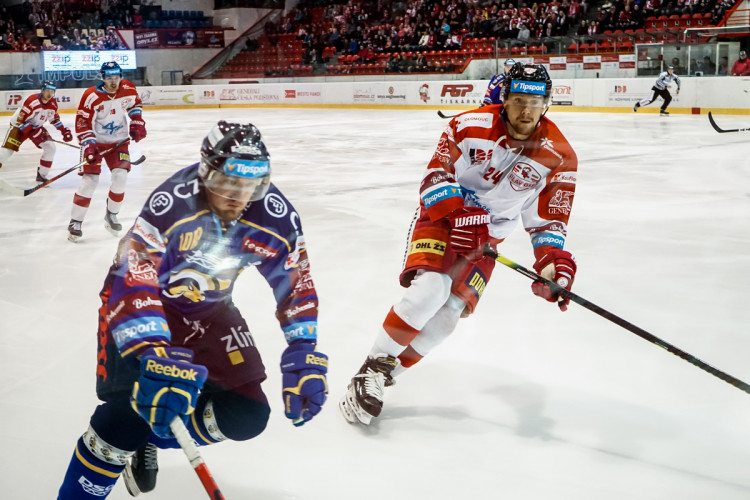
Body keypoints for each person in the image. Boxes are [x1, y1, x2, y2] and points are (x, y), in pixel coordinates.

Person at [56, 121, 328, 498]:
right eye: (229, 184)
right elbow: (133, 277)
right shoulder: (172, 203)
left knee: (247, 415)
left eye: (251, 186)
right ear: (206, 173)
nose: (239, 197)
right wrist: (151, 352)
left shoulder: (275, 216)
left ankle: (150, 434)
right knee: (125, 419)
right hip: (141, 304)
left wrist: (302, 347)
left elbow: (296, 280)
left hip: (210, 309)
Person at [339, 63, 579, 426]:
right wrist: (460, 212)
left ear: (547, 103)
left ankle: (384, 378)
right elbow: (434, 177)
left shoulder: (561, 157)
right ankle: (369, 370)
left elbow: (548, 223)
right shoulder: (467, 125)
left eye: (535, 101)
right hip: (442, 219)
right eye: (517, 99)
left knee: (450, 314)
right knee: (430, 290)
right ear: (504, 99)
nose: (526, 109)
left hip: (488, 240)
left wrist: (551, 264)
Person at [68, 61, 146, 242]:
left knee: (120, 177)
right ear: (102, 78)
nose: (113, 81)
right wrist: (88, 144)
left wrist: (137, 122)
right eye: (109, 77)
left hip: (119, 142)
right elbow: (82, 122)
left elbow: (135, 105)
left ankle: (111, 214)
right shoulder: (91, 96)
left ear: (121, 77)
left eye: (116, 77)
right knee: (90, 181)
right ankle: (75, 221)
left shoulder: (128, 88)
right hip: (94, 144)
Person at [0, 81, 73, 182]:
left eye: (52, 91)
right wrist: (31, 131)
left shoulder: (53, 103)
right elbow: (20, 120)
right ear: (42, 90)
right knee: (8, 150)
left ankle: (42, 175)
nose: (49, 94)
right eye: (47, 90)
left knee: (50, 147)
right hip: (18, 126)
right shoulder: (32, 101)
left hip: (35, 127)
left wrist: (64, 131)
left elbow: (54, 119)